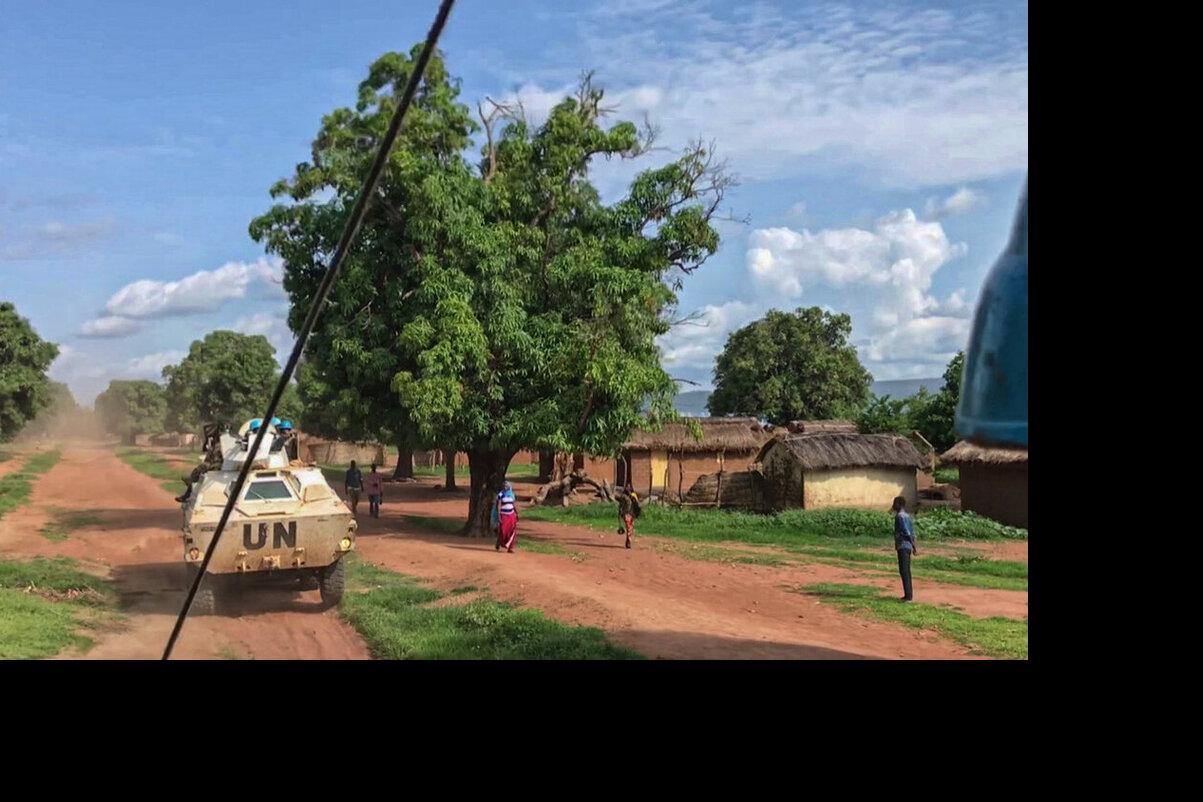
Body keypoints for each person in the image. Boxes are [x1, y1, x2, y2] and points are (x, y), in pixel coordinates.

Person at [176, 423, 223, 503]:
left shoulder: (219, 445)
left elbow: (217, 460)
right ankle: (187, 493)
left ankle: (188, 490)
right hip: (214, 466)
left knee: (201, 469)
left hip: (217, 467)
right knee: (199, 472)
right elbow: (208, 457)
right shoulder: (214, 443)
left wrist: (208, 467)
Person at [892, 496, 917, 602]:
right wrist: (914, 545)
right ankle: (908, 595)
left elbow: (906, 531)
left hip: (903, 545)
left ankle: (908, 596)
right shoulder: (907, 516)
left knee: (904, 571)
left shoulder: (900, 517)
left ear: (899, 505)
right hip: (908, 546)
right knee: (906, 571)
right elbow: (912, 532)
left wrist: (912, 544)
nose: (893, 506)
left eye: (895, 503)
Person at [494, 481, 518, 553]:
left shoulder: (512, 494)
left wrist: (517, 513)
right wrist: (499, 516)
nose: (505, 487)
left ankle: (510, 548)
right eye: (504, 486)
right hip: (503, 515)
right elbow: (498, 506)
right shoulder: (500, 495)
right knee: (503, 531)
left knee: (512, 530)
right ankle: (499, 543)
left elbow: (514, 505)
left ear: (509, 487)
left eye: (506, 486)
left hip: (511, 515)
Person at [616, 484, 640, 550]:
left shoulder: (633, 495)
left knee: (631, 528)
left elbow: (637, 505)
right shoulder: (623, 496)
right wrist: (619, 516)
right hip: (626, 514)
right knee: (629, 527)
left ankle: (628, 541)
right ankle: (629, 542)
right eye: (627, 487)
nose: (628, 488)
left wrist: (633, 498)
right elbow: (620, 506)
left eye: (629, 487)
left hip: (632, 514)